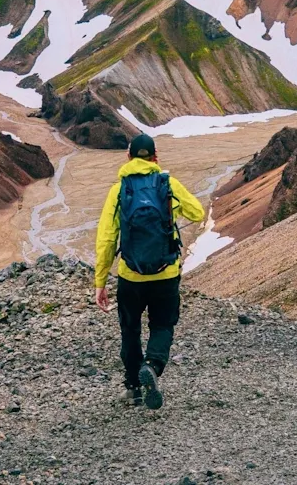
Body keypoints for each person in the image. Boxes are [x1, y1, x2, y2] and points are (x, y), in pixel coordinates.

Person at [95, 133, 205, 409]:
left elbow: (107, 239)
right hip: (165, 273)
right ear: (155, 157)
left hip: (130, 275)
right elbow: (198, 213)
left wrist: (100, 282)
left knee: (129, 329)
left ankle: (133, 389)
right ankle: (153, 367)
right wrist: (172, 209)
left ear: (128, 157)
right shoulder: (167, 183)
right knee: (163, 324)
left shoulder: (118, 190)